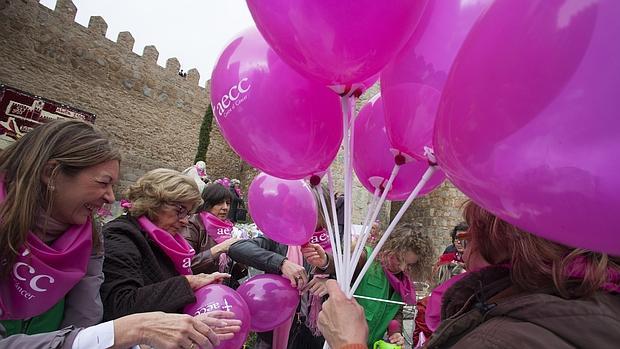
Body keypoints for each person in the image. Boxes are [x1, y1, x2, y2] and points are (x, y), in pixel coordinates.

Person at [0, 120, 233, 348]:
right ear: (51, 174)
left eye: (189, 212)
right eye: (103, 183)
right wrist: (140, 328)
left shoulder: (87, 241)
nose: (110, 197)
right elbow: (116, 310)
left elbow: (86, 327)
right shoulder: (120, 235)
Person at [422, 201, 620, 348]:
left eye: (471, 238)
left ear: (500, 240)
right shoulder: (604, 305)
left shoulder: (492, 341)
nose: (464, 253)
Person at [100, 169, 233, 321]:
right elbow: (120, 305)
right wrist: (190, 283)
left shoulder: (163, 239)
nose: (185, 221)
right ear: (154, 202)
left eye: (188, 213)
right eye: (181, 210)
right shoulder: (120, 235)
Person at [228, 187, 334, 349]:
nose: (303, 215)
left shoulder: (336, 245)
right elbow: (237, 248)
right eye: (299, 208)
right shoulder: (281, 236)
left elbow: (352, 283)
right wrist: (281, 263)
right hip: (273, 328)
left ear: (323, 211)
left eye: (309, 210)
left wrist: (331, 285)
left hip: (316, 333)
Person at [305, 223, 434, 348]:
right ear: (389, 247)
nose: (402, 267)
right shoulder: (365, 259)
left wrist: (395, 332)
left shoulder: (404, 285)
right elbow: (344, 265)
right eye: (399, 259)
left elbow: (396, 312)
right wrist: (326, 261)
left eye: (409, 264)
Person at [182, 182, 246, 288]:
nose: (225, 207)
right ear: (207, 203)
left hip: (223, 290)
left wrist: (243, 261)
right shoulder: (192, 224)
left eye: (228, 203)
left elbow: (230, 274)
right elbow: (186, 265)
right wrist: (219, 249)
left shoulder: (229, 228)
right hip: (199, 291)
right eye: (219, 203)